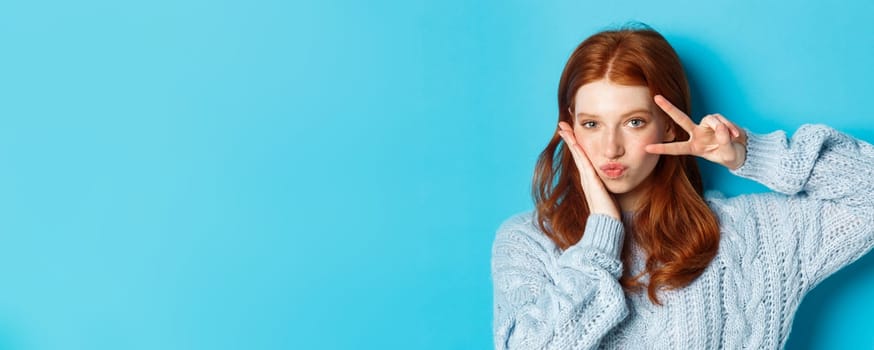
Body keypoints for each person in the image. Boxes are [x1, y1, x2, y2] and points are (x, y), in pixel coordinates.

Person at [491, 24, 874, 349]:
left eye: (634, 121)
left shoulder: (754, 235)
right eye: (592, 124)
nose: (611, 147)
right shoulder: (529, 242)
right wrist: (600, 239)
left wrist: (752, 155)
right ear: (570, 126)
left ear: (670, 125)